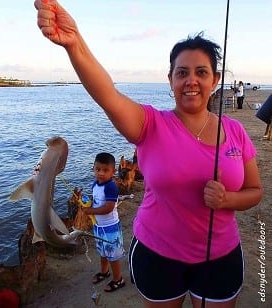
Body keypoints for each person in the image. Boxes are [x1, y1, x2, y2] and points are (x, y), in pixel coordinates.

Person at [34, 1, 263, 307]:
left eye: (201, 72)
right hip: (157, 255)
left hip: (220, 257)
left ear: (215, 80)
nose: (191, 80)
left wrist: (228, 200)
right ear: (170, 80)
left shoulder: (236, 131)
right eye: (182, 72)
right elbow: (108, 95)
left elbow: (255, 191)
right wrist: (75, 43)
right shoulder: (150, 124)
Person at [82, 152, 125, 292]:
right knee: (102, 252)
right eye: (97, 169)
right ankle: (104, 272)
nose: (100, 173)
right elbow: (96, 201)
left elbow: (108, 207)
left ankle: (118, 279)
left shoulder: (111, 187)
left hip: (110, 227)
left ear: (113, 171)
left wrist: (91, 212)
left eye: (105, 170)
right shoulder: (95, 184)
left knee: (113, 255)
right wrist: (88, 205)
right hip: (99, 227)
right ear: (93, 168)